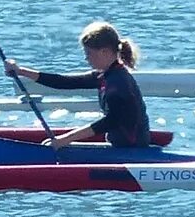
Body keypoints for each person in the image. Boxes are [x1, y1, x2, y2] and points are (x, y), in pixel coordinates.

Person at [11, 21, 152, 149]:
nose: (86, 58)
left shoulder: (118, 83)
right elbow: (63, 82)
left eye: (89, 53)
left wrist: (64, 140)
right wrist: (21, 71)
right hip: (120, 146)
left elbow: (111, 121)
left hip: (131, 150)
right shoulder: (105, 76)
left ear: (105, 52)